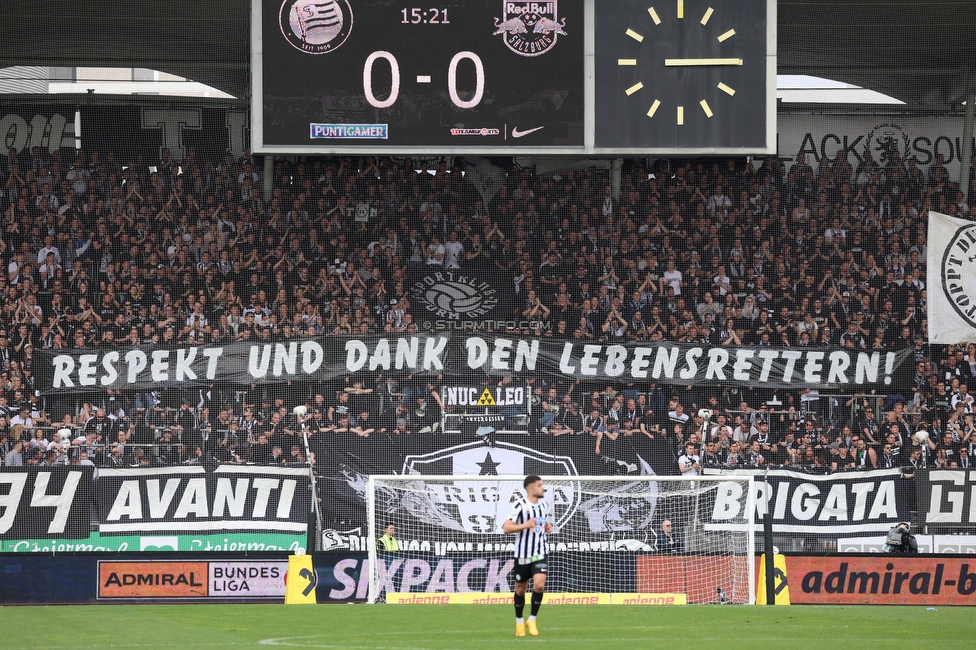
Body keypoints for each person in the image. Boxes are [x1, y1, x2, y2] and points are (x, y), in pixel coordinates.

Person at [503, 475, 552, 638]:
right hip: (523, 554)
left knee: (539, 585)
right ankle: (519, 622)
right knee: (520, 589)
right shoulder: (519, 505)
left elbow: (541, 523)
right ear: (530, 489)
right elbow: (506, 527)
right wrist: (525, 525)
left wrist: (547, 526)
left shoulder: (544, 504)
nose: (542, 488)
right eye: (539, 485)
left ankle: (532, 619)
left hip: (540, 552)